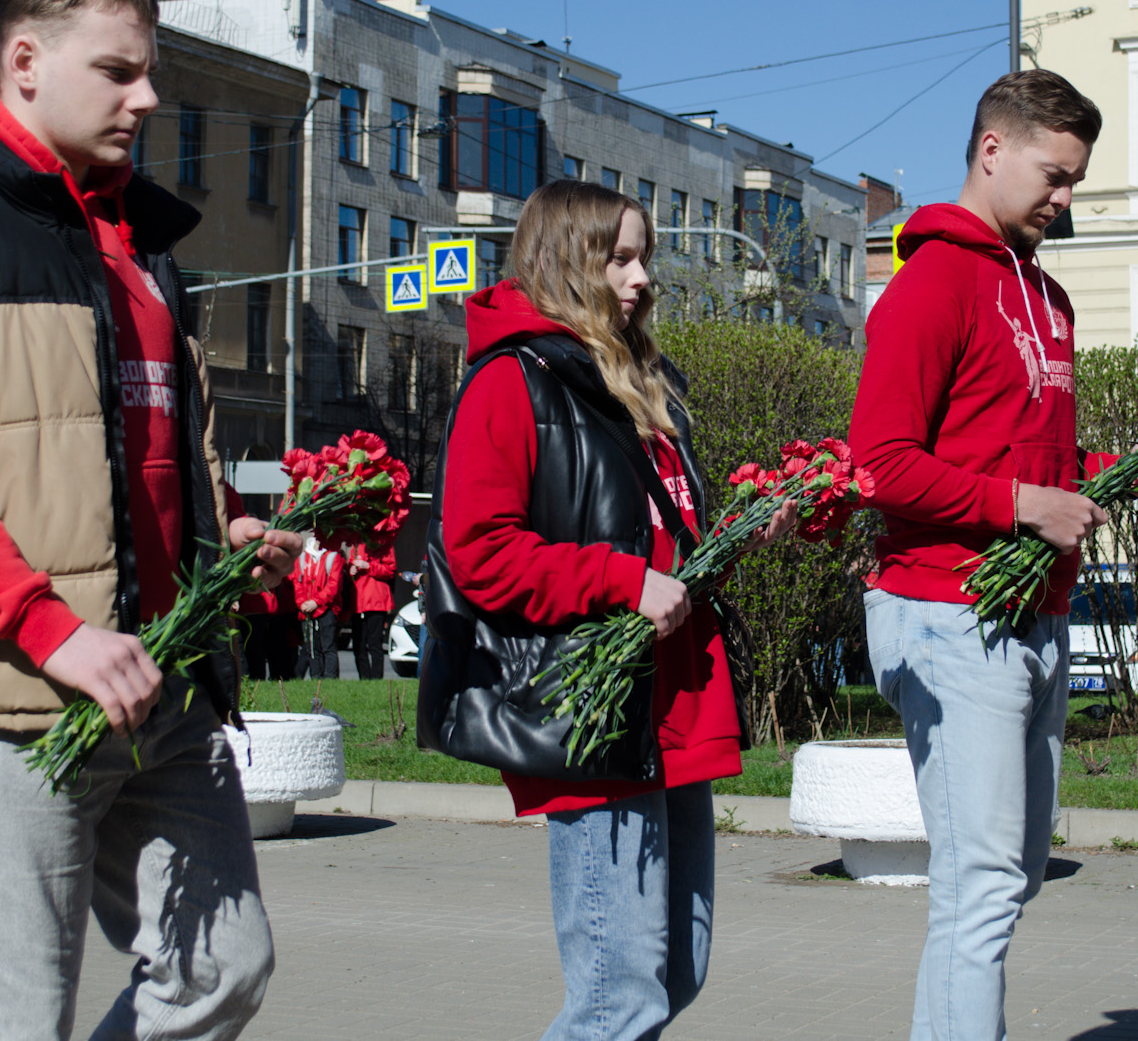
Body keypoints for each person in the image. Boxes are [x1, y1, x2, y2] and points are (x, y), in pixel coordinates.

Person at [0, 0, 298, 1039]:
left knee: (225, 966)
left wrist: (219, 533)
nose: (147, 99)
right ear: (26, 59)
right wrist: (49, 628)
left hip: (157, 682)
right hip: (1, 690)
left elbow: (131, 454)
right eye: (119, 71)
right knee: (16, 1016)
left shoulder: (141, 248)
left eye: (152, 75)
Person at [849, 70, 1138, 1041]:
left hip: (1031, 614)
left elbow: (1022, 460)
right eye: (1053, 173)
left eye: (1075, 179)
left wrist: (1116, 470)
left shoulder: (1044, 297)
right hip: (945, 610)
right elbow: (877, 464)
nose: (1064, 198)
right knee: (982, 883)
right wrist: (1019, 504)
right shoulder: (928, 284)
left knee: (1010, 874)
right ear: (991, 149)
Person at [429, 179, 794, 1041]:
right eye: (618, 258)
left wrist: (736, 533)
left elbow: (663, 539)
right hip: (594, 718)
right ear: (566, 260)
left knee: (674, 974)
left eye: (645, 258)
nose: (640, 278)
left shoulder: (643, 380)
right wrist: (622, 582)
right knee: (615, 1000)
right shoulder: (512, 380)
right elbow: (479, 552)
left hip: (672, 708)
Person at [290, 538, 342, 680]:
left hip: (326, 608)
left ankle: (331, 680)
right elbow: (297, 581)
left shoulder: (333, 556)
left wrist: (316, 601)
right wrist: (302, 603)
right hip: (307, 609)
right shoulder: (302, 557)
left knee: (328, 646)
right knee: (312, 648)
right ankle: (316, 679)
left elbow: (333, 584)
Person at [347, 540, 397, 680]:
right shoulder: (356, 544)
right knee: (359, 644)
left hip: (376, 600)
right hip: (358, 600)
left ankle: (376, 679)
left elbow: (390, 570)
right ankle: (364, 678)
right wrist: (351, 569)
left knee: (375, 643)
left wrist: (368, 566)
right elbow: (351, 564)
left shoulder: (384, 543)